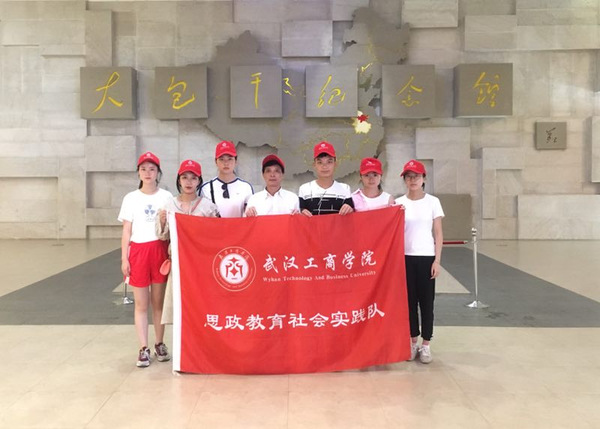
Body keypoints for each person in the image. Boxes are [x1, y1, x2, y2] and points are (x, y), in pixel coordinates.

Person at [118, 152, 173, 368]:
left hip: (159, 251)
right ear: (138, 172)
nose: (148, 173)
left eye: (152, 169)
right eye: (143, 169)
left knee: (158, 303)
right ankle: (143, 347)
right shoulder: (131, 198)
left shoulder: (166, 197)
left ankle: (159, 342)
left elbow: (171, 228)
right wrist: (124, 258)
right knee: (141, 304)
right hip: (138, 252)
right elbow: (126, 230)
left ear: (158, 172)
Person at [156, 159, 220, 324]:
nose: (189, 182)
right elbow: (162, 236)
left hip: (201, 264)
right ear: (179, 180)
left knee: (201, 304)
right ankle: (180, 338)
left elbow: (217, 235)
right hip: (178, 264)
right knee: (179, 304)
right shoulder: (169, 205)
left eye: (193, 178)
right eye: (185, 177)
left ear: (199, 181)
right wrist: (162, 221)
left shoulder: (208, 207)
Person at [395, 160, 444, 364]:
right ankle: (412, 341)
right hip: (404, 258)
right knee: (409, 303)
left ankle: (426, 345)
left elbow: (438, 233)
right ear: (405, 180)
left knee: (426, 303)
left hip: (426, 258)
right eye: (409, 176)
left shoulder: (433, 202)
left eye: (416, 176)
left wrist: (437, 261)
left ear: (424, 178)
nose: (413, 180)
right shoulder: (398, 203)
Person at [298, 141, 354, 216]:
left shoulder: (345, 189)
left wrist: (350, 209)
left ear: (335, 164)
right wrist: (300, 213)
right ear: (314, 165)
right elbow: (299, 215)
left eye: (329, 162)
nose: (324, 166)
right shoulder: (304, 189)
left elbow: (351, 216)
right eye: (320, 162)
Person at [200, 140, 253, 218]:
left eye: (230, 159)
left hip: (238, 226)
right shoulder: (206, 188)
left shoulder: (246, 187)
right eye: (221, 159)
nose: (226, 163)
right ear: (216, 161)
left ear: (236, 161)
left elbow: (250, 217)